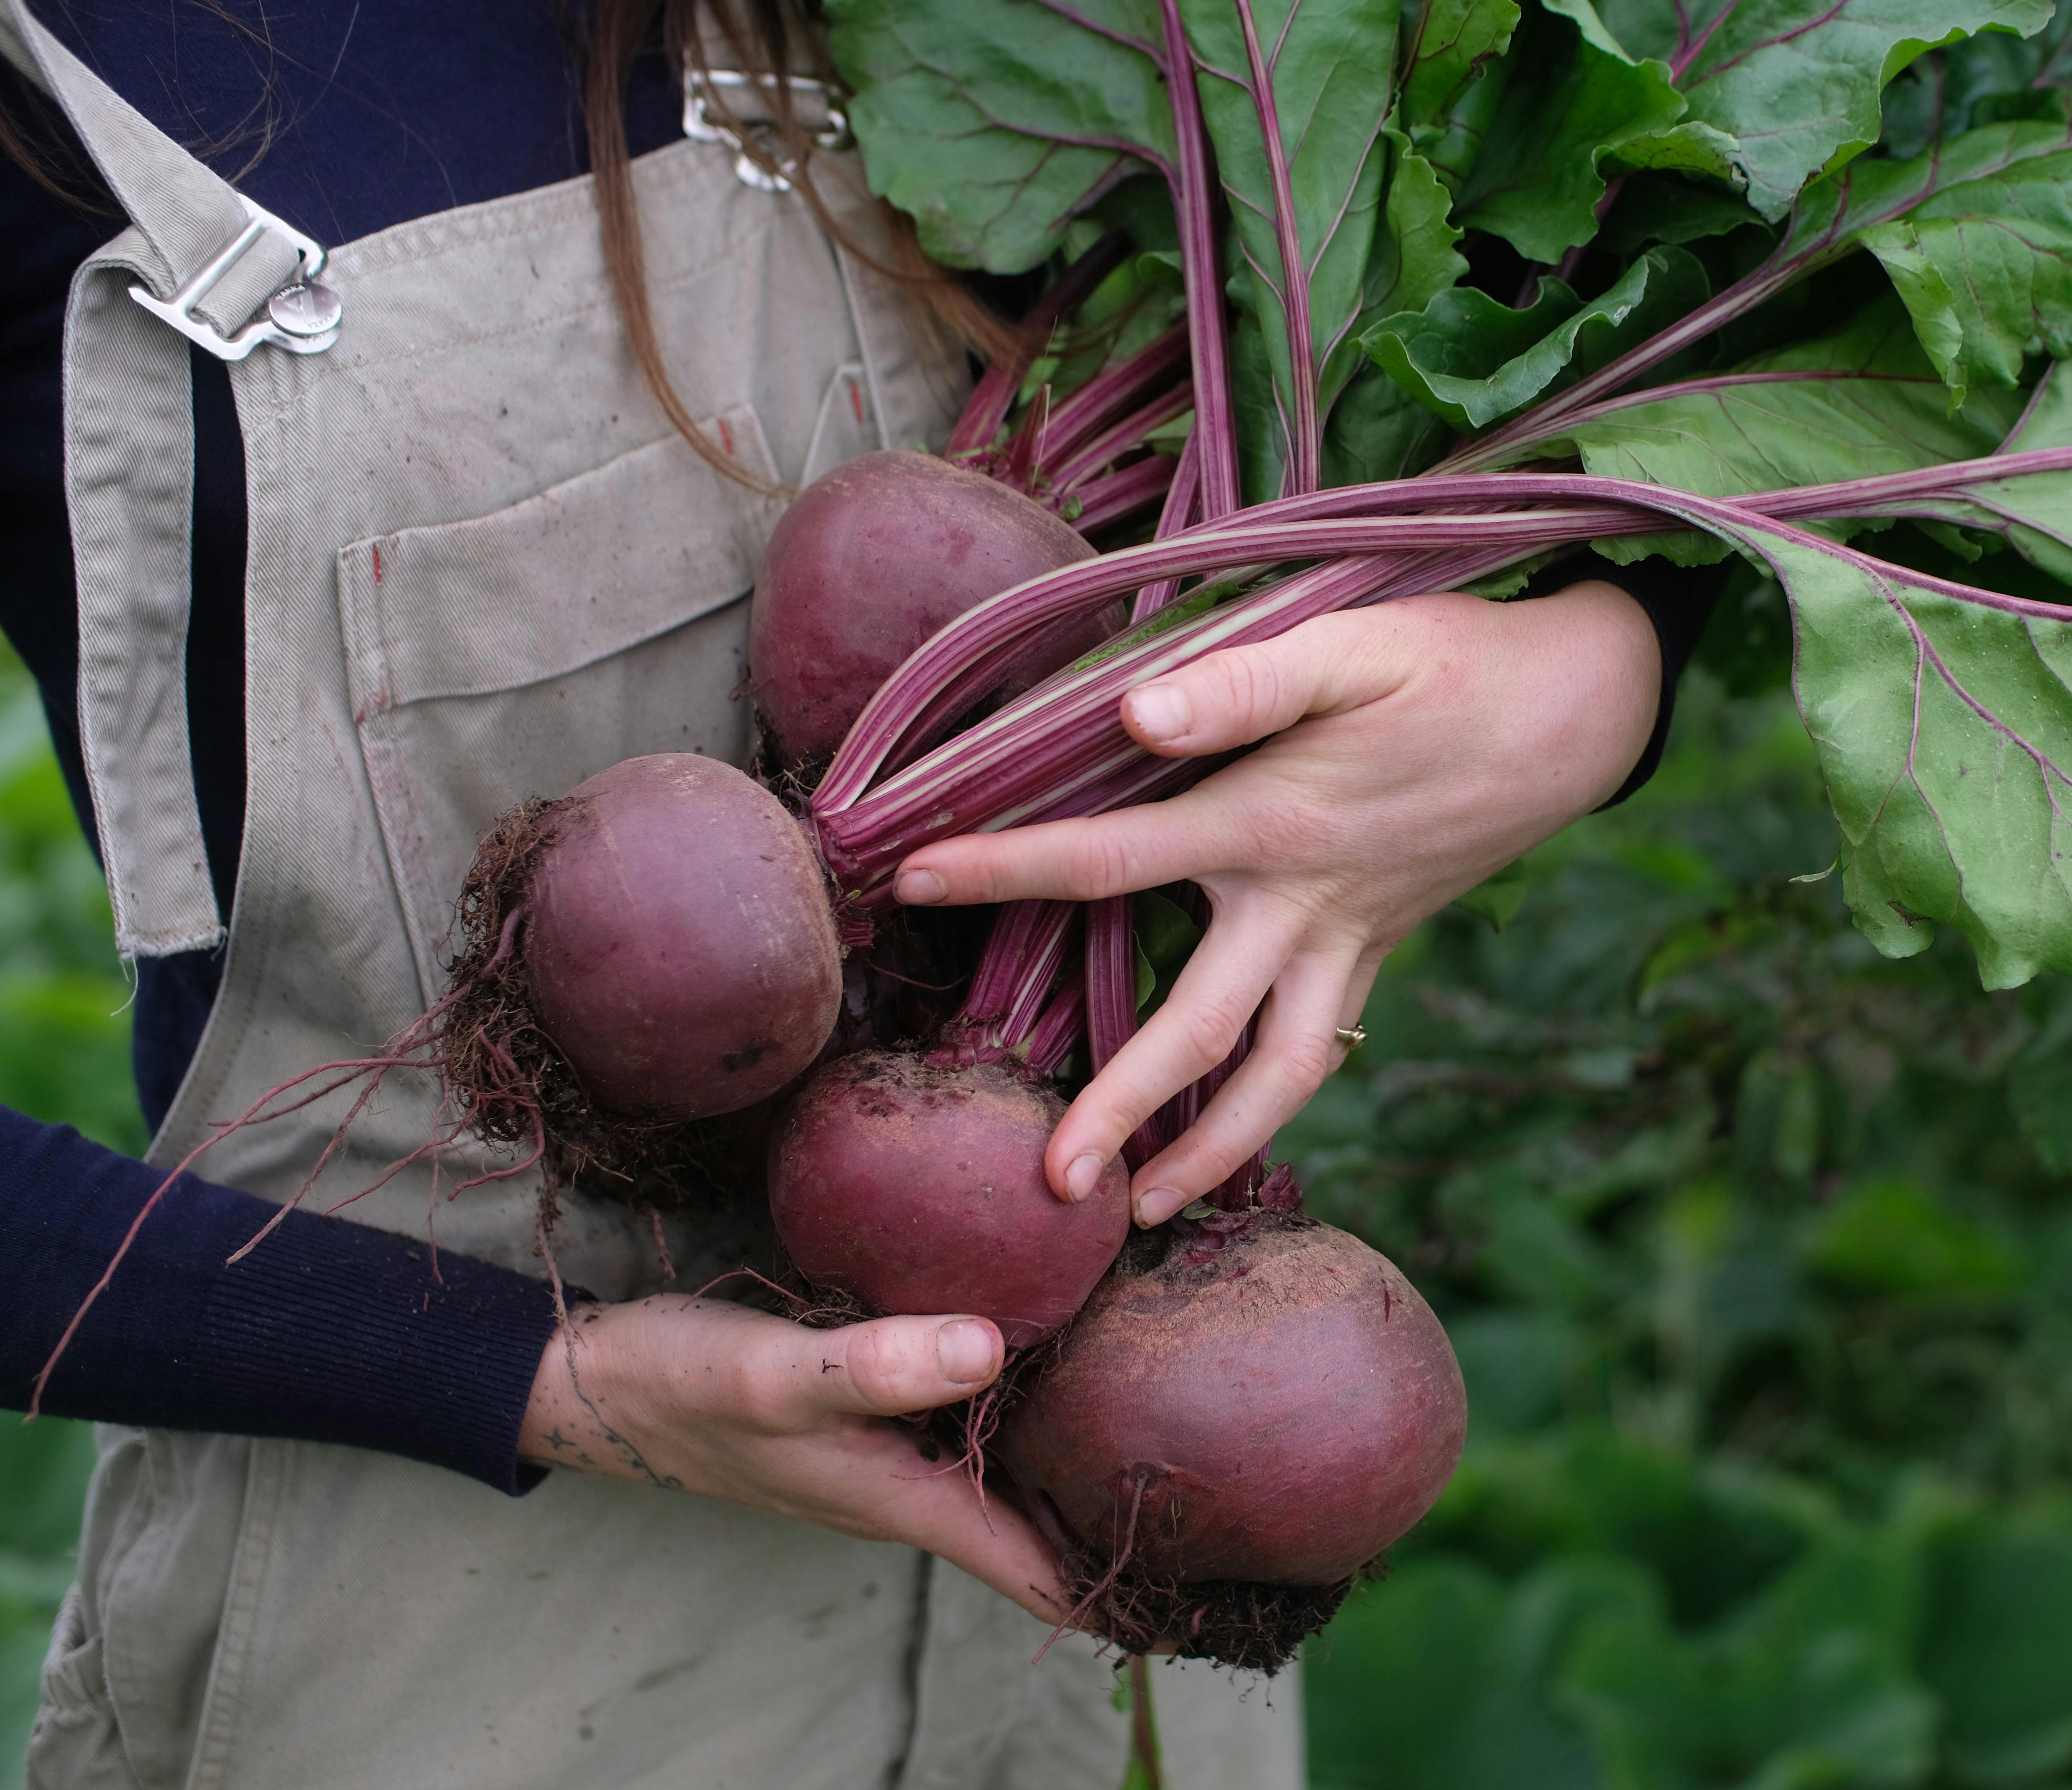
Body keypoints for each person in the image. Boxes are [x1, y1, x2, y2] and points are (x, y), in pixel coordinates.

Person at [0, 2, 1702, 1785]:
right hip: (441, 1636)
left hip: (1099, 1616)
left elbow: (1539, 307)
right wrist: (533, 1373)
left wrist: (1603, 666)